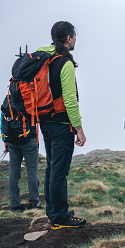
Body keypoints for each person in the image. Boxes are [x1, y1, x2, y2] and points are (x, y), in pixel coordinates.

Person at [37, 21, 87, 229]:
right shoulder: (64, 63)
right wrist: (79, 129)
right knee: (59, 171)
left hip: (45, 121)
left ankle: (53, 212)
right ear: (68, 38)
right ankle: (59, 217)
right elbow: (70, 100)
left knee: (51, 168)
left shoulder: (43, 56)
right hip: (60, 123)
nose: (75, 39)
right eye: (74, 36)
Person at [0, 97, 41, 211]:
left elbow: (3, 119)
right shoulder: (30, 95)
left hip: (12, 141)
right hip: (29, 140)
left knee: (14, 172)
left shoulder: (8, 98)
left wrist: (5, 139)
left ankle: (15, 204)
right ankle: (34, 202)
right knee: (32, 171)